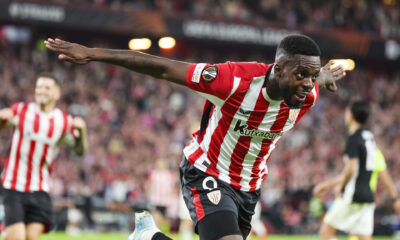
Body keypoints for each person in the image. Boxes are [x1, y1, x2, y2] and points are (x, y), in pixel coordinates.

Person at [44, 34, 346, 240]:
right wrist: (93, 54)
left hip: (249, 187)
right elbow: (162, 68)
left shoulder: (306, 93)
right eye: (301, 75)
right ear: (278, 69)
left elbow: (315, 77)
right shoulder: (233, 80)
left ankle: (149, 236)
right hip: (207, 172)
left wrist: (325, 76)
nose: (307, 84)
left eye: (312, 76)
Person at [0, 72, 88, 240]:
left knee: (32, 238)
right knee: (17, 238)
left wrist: (82, 132)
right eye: (39, 87)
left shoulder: (63, 121)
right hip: (13, 186)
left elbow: (80, 151)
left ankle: (6, 231)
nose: (41, 91)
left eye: (47, 87)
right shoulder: (21, 110)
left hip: (39, 189)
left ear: (57, 93)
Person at [313, 100, 400, 240]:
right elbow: (380, 172)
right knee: (364, 238)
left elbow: (351, 169)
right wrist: (395, 198)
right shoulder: (370, 139)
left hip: (352, 195)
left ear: (351, 115)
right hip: (368, 198)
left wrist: (338, 187)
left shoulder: (353, 138)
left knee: (326, 232)